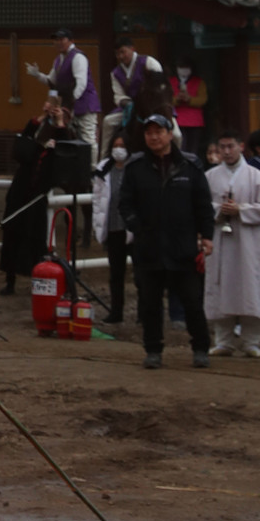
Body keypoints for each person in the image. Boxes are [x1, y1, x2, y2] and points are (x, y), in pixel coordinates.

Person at [120, 112, 215, 369]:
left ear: (170, 135)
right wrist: (137, 227)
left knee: (193, 303)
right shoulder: (135, 167)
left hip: (183, 247)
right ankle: (153, 351)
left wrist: (207, 236)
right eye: (149, 132)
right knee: (149, 304)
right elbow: (125, 203)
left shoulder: (191, 166)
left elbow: (203, 204)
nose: (153, 137)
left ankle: (201, 348)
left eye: (158, 132)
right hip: (148, 248)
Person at [204, 132, 260, 358]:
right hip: (220, 238)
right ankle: (223, 340)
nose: (226, 152)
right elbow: (201, 205)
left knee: (250, 286)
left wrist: (242, 210)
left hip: (249, 240)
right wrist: (219, 210)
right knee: (220, 284)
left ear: (241, 147)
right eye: (222, 147)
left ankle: (252, 341)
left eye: (231, 146)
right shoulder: (210, 176)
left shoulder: (255, 176)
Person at [0, 106, 66, 293]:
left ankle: (38, 283)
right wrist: (43, 115)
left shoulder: (55, 153)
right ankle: (9, 282)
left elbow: (66, 147)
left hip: (37, 203)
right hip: (18, 199)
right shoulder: (31, 148)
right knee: (12, 239)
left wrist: (60, 123)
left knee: (36, 242)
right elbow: (26, 136)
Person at [27, 29, 100, 158]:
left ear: (71, 40)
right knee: (65, 137)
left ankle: (92, 171)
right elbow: (51, 81)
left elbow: (81, 84)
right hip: (67, 106)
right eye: (56, 40)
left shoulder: (78, 57)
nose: (58, 42)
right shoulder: (58, 60)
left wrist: (71, 103)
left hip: (84, 104)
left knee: (88, 139)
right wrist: (37, 75)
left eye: (61, 39)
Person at [100, 36, 166, 160]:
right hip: (132, 108)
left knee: (177, 134)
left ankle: (177, 160)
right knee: (108, 121)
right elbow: (118, 95)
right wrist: (128, 103)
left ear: (132, 49)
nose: (120, 56)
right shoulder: (115, 73)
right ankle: (103, 160)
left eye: (123, 52)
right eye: (117, 53)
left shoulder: (148, 62)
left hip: (155, 106)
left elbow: (160, 85)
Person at [92, 133, 134, 323]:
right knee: (116, 275)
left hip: (134, 228)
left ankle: (144, 315)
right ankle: (116, 312)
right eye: (115, 145)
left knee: (141, 274)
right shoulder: (104, 169)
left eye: (122, 145)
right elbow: (97, 199)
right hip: (113, 229)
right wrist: (97, 225)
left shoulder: (136, 167)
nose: (119, 148)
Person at [170, 65, 208, 149]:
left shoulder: (199, 82)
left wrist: (189, 99)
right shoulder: (170, 81)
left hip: (194, 121)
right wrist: (177, 99)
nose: (184, 70)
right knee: (180, 147)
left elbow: (203, 99)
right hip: (177, 120)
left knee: (193, 148)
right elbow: (165, 99)